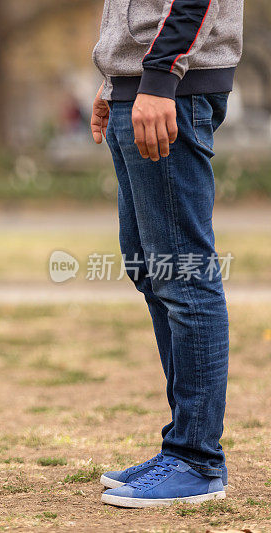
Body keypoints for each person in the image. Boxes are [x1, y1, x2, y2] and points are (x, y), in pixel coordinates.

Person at [90, 0, 243, 508]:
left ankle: (197, 460)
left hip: (169, 87)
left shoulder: (164, 80)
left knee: (185, 274)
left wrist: (157, 79)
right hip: (138, 86)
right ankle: (182, 445)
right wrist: (116, 85)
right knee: (150, 270)